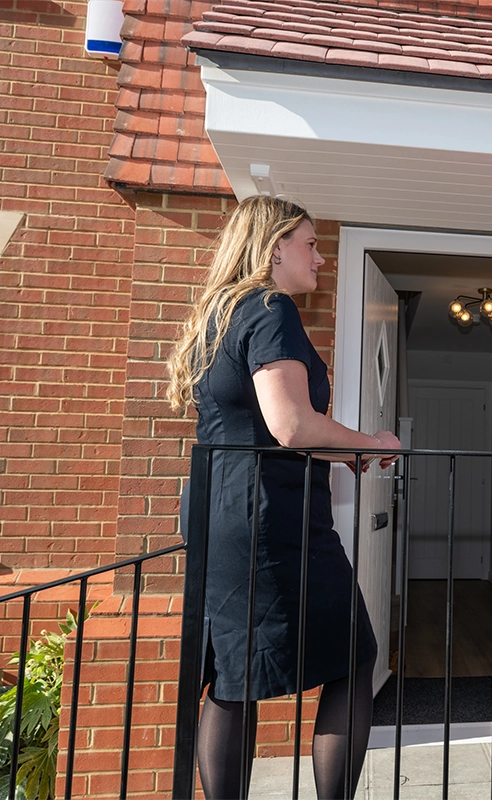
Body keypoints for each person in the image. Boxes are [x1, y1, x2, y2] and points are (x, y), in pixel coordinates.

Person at [166, 195, 399, 800]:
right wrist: (372, 441)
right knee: (355, 656)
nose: (321, 258)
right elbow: (290, 426)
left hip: (221, 515)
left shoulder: (219, 313)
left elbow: (261, 428)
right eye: (312, 243)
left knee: (232, 678)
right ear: (275, 248)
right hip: (271, 519)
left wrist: (348, 449)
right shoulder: (271, 308)